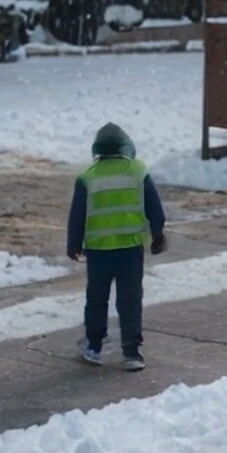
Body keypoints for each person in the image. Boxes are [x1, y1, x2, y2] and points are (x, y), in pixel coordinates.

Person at [68, 121, 168, 366]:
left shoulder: (87, 178)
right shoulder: (137, 172)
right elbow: (153, 205)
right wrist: (158, 232)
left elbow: (77, 215)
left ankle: (93, 346)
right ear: (126, 147)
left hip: (99, 251)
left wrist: (73, 243)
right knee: (130, 300)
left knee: (96, 299)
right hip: (130, 250)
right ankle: (132, 352)